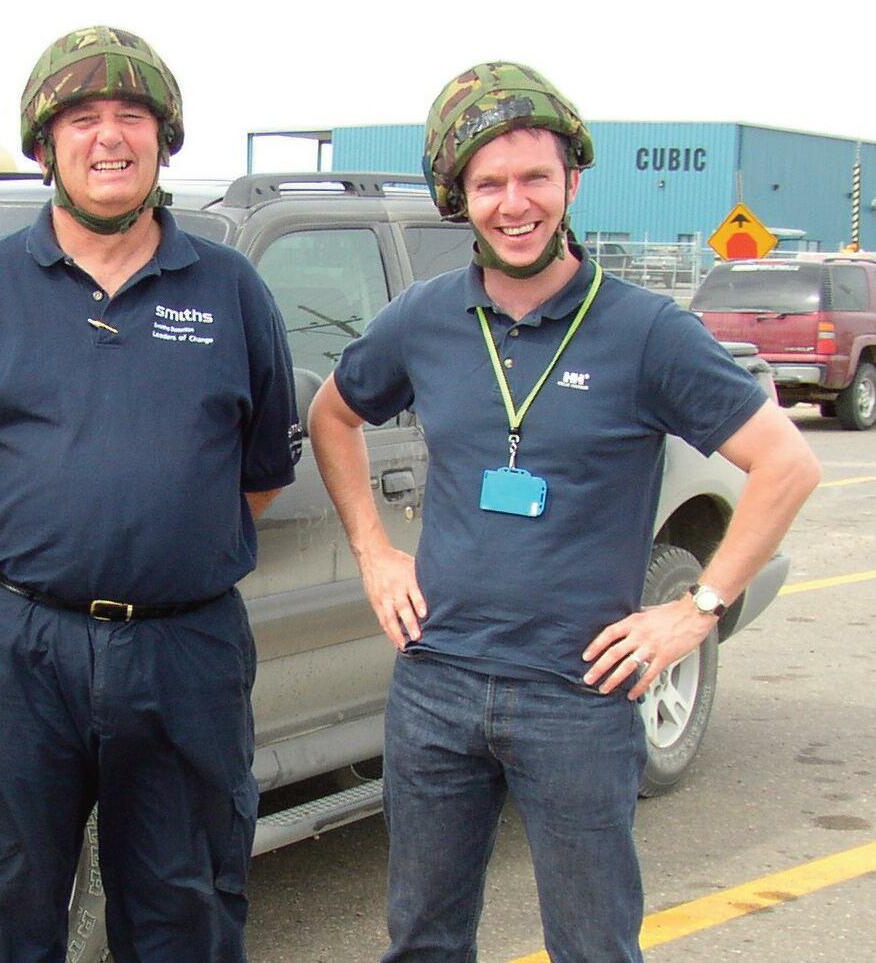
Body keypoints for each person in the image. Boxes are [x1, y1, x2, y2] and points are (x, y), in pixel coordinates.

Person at [307, 62, 820, 962]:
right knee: (422, 940)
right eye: (489, 184)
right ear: (459, 198)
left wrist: (696, 610)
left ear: (573, 182)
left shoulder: (647, 331)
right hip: (437, 683)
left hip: (578, 695)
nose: (515, 204)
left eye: (535, 177)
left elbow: (787, 463)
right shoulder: (425, 318)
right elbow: (332, 415)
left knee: (593, 945)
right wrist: (375, 552)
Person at [0, 25, 300, 963]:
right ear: (45, 144)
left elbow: (262, 474)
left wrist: (166, 555)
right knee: (8, 897)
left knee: (186, 902)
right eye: (81, 118)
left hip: (185, 651)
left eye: (131, 116)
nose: (108, 136)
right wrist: (31, 555)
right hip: (18, 650)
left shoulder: (231, 290)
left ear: (164, 140)